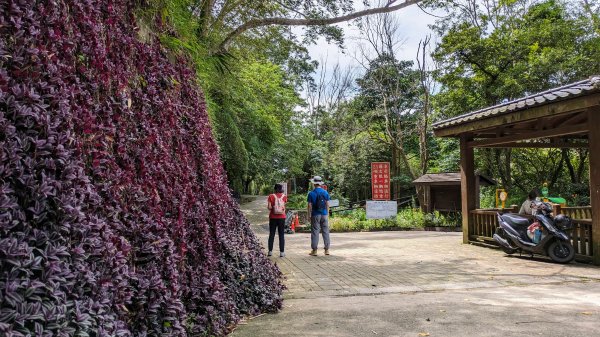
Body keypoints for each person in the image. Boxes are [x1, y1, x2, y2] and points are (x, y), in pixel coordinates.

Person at [307, 175, 331, 256]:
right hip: (324, 214)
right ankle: (327, 250)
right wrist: (327, 214)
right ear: (320, 183)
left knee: (315, 232)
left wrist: (309, 215)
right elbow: (327, 204)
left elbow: (309, 205)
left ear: (314, 184)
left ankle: (314, 250)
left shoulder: (311, 193)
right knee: (325, 231)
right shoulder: (325, 192)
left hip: (315, 214)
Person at [267, 183, 287, 257]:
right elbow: (283, 207)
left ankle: (270, 251)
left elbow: (269, 207)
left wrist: (273, 207)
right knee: (281, 234)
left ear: (275, 189)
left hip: (273, 217)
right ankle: (282, 252)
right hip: (282, 217)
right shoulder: (284, 196)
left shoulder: (271, 196)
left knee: (272, 234)